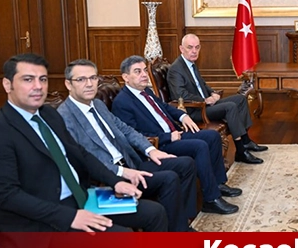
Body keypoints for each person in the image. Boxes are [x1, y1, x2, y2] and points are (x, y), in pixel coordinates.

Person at [0, 54, 166, 248]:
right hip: (38, 225)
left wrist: (116, 180)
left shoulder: (48, 114)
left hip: (79, 200)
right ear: (7, 84)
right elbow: (8, 197)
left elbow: (80, 154)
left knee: (154, 213)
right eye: (28, 79)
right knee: (122, 239)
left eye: (42, 79)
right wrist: (70, 216)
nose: (37, 86)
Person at [58, 59, 198, 232]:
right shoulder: (64, 117)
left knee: (181, 167)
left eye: (93, 78)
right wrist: (121, 172)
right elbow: (82, 160)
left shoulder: (98, 105)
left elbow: (126, 129)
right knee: (165, 187)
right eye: (81, 79)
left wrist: (151, 150)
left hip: (130, 162)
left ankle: (180, 228)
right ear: (68, 84)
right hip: (106, 179)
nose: (89, 84)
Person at [111, 55, 241, 216]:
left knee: (212, 137)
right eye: (138, 72)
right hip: (159, 144)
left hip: (175, 132)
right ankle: (211, 199)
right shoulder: (122, 102)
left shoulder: (146, 91)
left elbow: (165, 107)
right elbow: (134, 135)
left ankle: (217, 184)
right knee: (200, 146)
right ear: (125, 77)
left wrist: (182, 116)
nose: (144, 75)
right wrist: (168, 137)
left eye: (144, 70)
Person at [167, 33, 267, 165]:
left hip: (205, 104)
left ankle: (246, 141)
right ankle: (240, 151)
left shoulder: (191, 63)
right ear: (181, 48)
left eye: (197, 47)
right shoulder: (176, 69)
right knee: (230, 107)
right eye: (190, 47)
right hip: (194, 110)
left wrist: (213, 93)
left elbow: (201, 84)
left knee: (240, 99)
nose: (194, 51)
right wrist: (205, 100)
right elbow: (180, 95)